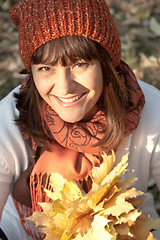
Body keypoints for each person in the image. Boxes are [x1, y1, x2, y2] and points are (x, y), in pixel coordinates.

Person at [0, 0, 160, 239]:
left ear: (106, 64)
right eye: (46, 68)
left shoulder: (151, 109)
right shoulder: (8, 120)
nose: (65, 88)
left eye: (80, 64)